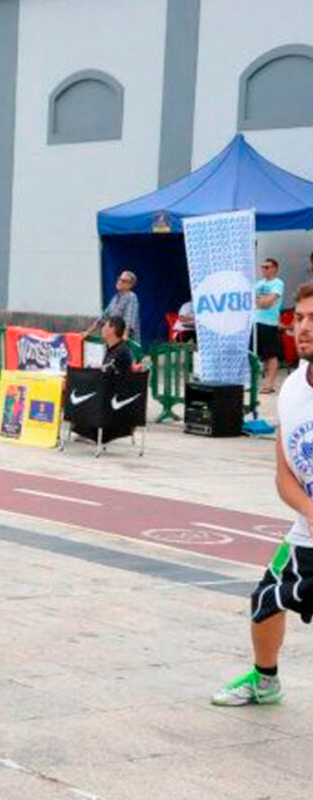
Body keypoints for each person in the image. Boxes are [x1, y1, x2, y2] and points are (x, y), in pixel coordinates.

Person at [211, 280, 313, 707]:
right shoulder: (291, 390)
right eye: (301, 318)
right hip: (306, 532)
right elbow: (284, 475)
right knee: (265, 600)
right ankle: (265, 679)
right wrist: (309, 509)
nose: (303, 328)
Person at [84, 270, 140, 344]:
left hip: (127, 340)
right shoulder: (115, 298)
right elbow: (103, 317)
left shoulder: (131, 297)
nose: (119, 282)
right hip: (114, 338)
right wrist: (88, 331)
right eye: (119, 279)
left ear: (129, 285)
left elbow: (128, 319)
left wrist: (124, 335)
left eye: (123, 281)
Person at [255, 257, 284, 394]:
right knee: (255, 353)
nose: (264, 269)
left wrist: (262, 301)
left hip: (269, 322)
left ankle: (269, 384)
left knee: (271, 354)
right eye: (262, 267)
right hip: (256, 321)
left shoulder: (278, 283)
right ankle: (254, 383)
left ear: (274, 269)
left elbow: (268, 303)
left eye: (267, 267)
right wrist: (262, 301)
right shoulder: (258, 283)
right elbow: (254, 301)